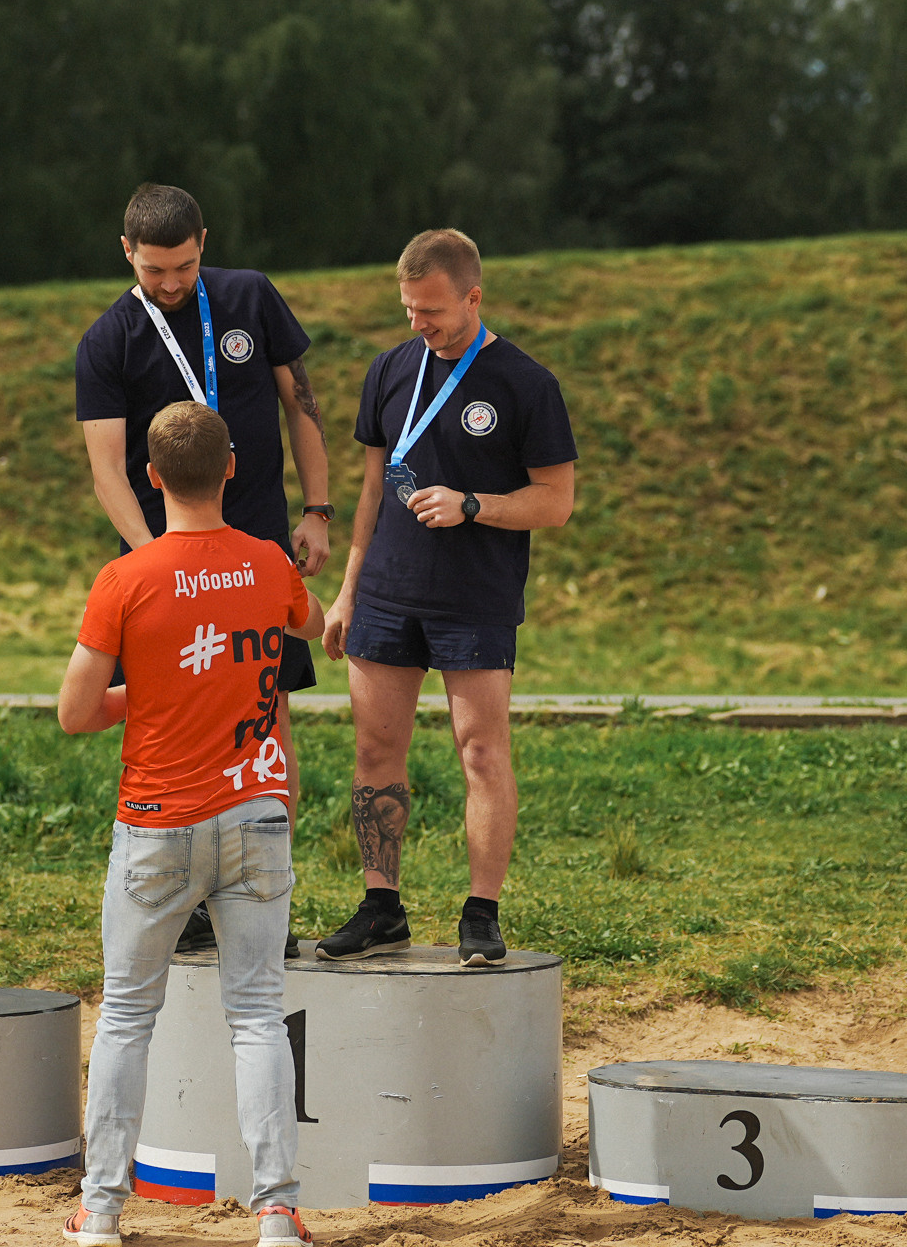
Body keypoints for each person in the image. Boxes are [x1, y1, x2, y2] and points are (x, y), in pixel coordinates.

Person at [55, 402, 323, 1247]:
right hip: (257, 817)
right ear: (232, 468)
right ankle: (276, 1210)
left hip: (157, 825)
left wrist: (148, 690)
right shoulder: (269, 562)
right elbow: (312, 626)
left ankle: (100, 1211)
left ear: (152, 478)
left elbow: (75, 712)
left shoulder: (124, 579)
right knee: (258, 1016)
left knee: (127, 1018)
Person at [76, 183, 332, 957]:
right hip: (168, 569)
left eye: (184, 266)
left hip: (258, 553)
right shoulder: (109, 340)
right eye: (155, 269)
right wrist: (150, 555)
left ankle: (266, 897)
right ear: (127, 252)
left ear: (204, 244)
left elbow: (302, 406)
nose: (171, 283)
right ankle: (185, 901)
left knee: (267, 720)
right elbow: (108, 469)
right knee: (173, 724)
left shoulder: (249, 297)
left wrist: (318, 509)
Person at [315, 230, 576, 968]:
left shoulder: (526, 383)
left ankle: (481, 915)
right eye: (408, 309)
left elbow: (556, 501)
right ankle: (382, 908)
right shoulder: (389, 369)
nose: (418, 323)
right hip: (386, 593)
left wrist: (474, 506)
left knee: (482, 752)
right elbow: (373, 488)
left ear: (473, 297)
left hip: (475, 597)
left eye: (431, 310)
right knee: (376, 750)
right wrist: (347, 592)